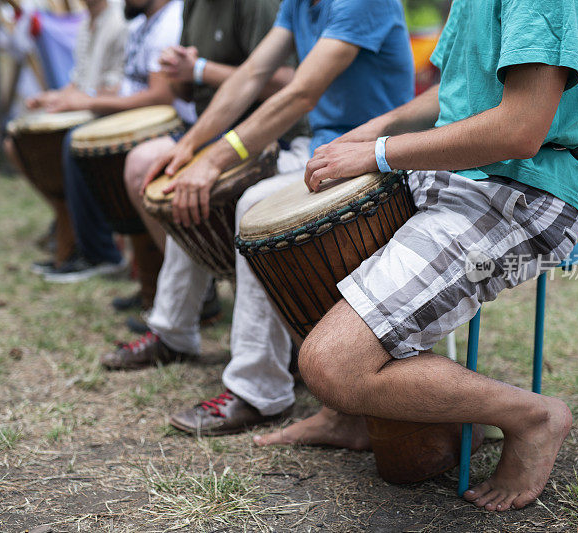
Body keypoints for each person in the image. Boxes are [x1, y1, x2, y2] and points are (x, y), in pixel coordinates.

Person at [256, 0, 578, 512]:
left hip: (519, 193)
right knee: (308, 236)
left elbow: (520, 130)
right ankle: (346, 417)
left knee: (333, 365)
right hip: (453, 175)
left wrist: (382, 152)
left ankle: (532, 416)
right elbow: (453, 93)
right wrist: (372, 131)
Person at [102, 0, 415, 437]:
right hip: (324, 150)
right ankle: (173, 330)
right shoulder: (298, 4)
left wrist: (215, 159)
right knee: (190, 182)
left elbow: (302, 92)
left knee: (253, 204)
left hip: (377, 158)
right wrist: (191, 149)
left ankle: (258, 390)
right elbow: (251, 74)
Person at [112, 0, 304, 327]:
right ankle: (195, 300)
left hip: (263, 133)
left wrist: (200, 69)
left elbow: (285, 82)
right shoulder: (193, 4)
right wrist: (178, 73)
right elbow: (187, 93)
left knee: (174, 177)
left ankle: (193, 304)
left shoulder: (260, 6)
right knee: (142, 164)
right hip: (208, 129)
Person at [43, 0, 192, 284]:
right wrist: (74, 98)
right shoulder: (140, 23)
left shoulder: (169, 24)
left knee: (75, 140)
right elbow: (124, 85)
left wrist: (91, 101)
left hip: (163, 126)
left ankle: (101, 253)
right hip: (139, 121)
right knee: (75, 137)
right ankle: (103, 255)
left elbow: (160, 96)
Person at [4, 0, 127, 272]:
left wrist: (78, 101)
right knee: (14, 144)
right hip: (86, 114)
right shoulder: (86, 23)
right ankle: (66, 219)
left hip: (107, 118)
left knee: (69, 142)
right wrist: (54, 97)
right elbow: (79, 82)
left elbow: (116, 90)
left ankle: (94, 249)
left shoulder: (119, 22)